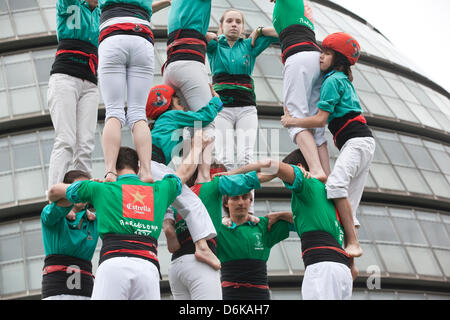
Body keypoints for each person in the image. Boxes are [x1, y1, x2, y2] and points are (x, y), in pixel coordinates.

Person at [47, 131, 210, 299]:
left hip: (113, 265)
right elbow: (184, 172)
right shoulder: (159, 190)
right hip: (148, 268)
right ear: (138, 168)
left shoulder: (100, 189)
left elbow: (53, 191)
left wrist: (86, 186)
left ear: (111, 167)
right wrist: (196, 147)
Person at [281, 32, 375, 257]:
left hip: (355, 142)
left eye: (327, 53)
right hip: (363, 143)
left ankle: (353, 243)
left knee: (335, 186)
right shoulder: (338, 79)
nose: (320, 57)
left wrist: (291, 120)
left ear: (339, 60)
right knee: (348, 204)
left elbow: (320, 119)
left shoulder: (333, 81)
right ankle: (348, 250)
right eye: (321, 52)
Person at [222, 149, 355, 300]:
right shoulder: (328, 195)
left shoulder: (306, 183)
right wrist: (281, 215)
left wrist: (233, 174)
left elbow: (273, 166)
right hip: (342, 269)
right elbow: (307, 221)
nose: (285, 182)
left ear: (299, 167)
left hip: (323, 267)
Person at [163, 162, 263, 300]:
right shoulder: (213, 186)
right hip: (200, 263)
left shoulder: (179, 195)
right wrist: (231, 174)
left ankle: (167, 225)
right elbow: (262, 173)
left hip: (176, 266)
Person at [97, 0, 171, 183]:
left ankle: (110, 172)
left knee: (114, 111)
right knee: (138, 113)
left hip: (112, 34)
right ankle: (146, 172)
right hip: (141, 35)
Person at [270, 0, 330, 182]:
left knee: (294, 117)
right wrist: (260, 31)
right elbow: (282, 31)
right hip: (314, 56)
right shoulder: (298, 6)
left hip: (297, 57)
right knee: (314, 122)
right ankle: (327, 174)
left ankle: (316, 168)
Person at [47, 0, 100, 189]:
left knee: (85, 145)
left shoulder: (102, 9)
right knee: (65, 141)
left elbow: (133, 7)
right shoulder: (69, 2)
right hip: (65, 78)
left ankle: (82, 200)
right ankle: (55, 194)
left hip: (90, 83)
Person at [41, 170, 99, 300]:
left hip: (87, 292)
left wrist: (100, 188)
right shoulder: (51, 214)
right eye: (79, 187)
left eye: (85, 189)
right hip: (56, 293)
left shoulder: (94, 219)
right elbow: (54, 208)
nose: (83, 192)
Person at [146, 83, 222, 166]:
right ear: (166, 106)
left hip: (151, 157)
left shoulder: (160, 123)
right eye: (179, 103)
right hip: (158, 157)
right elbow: (203, 117)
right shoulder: (171, 115)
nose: (183, 107)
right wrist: (216, 101)